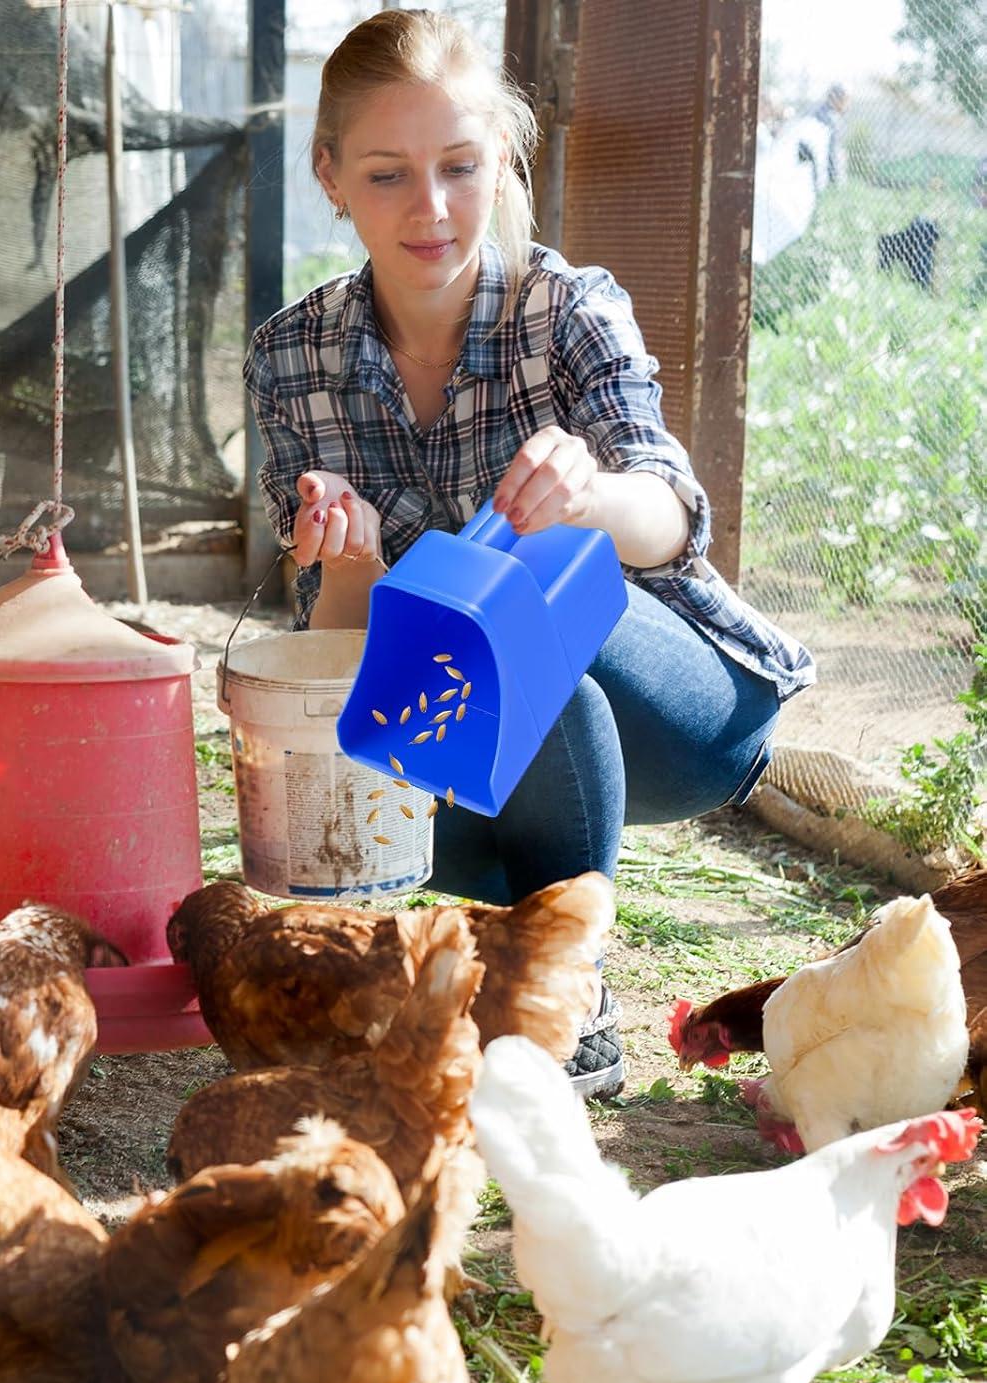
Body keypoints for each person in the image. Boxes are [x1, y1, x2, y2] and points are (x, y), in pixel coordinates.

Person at [243, 9, 816, 1099]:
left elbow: (674, 518)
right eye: (388, 175)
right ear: (329, 176)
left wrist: (591, 496)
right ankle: (528, 951)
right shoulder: (293, 352)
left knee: (516, 611)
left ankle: (570, 985)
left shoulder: (568, 308)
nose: (432, 207)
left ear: (502, 154)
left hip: (678, 708)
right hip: (480, 745)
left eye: (461, 166)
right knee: (475, 665)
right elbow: (350, 656)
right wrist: (353, 558)